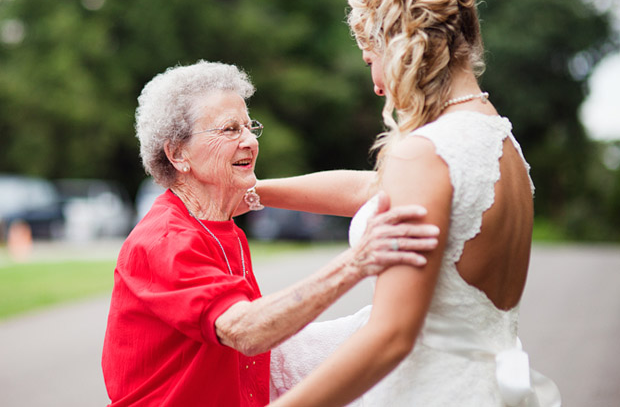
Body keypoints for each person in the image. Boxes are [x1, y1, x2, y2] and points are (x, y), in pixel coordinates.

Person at [255, 0, 561, 406]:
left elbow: (392, 336)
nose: (376, 84)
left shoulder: (424, 153)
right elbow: (371, 188)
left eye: (370, 58)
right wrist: (250, 191)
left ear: (397, 42)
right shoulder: (497, 139)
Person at [100, 60, 440, 407]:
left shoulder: (214, 219)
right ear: (177, 153)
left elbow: (365, 190)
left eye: (250, 126)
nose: (249, 140)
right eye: (230, 129)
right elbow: (246, 331)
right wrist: (358, 261)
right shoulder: (165, 241)